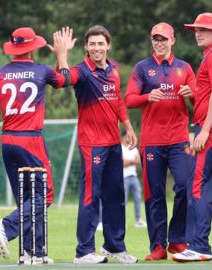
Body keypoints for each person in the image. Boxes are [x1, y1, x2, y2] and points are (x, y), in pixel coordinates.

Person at [0, 26, 71, 264]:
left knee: (26, 197)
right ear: (33, 48)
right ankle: (6, 227)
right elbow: (65, 81)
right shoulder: (41, 70)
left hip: (7, 140)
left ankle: (31, 253)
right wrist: (62, 55)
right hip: (31, 139)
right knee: (45, 195)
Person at [66, 25, 139, 264]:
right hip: (92, 145)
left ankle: (114, 247)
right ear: (86, 47)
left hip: (112, 144)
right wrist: (61, 55)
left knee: (116, 195)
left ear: (108, 45)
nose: (96, 48)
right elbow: (62, 80)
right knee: (91, 195)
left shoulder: (115, 68)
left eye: (101, 43)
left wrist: (127, 127)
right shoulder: (81, 71)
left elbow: (117, 100)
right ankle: (83, 251)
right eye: (92, 44)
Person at [125, 22, 196, 261]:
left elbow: (199, 103)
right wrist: (147, 96)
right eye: (156, 38)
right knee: (154, 193)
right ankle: (158, 245)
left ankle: (177, 240)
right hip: (152, 141)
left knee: (186, 187)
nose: (159, 42)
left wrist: (192, 95)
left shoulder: (184, 67)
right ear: (151, 41)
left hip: (179, 139)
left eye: (164, 38)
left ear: (172, 40)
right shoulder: (142, 68)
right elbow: (129, 100)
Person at [172, 12, 212, 262]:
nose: (197, 33)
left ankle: (199, 245)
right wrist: (197, 91)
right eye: (195, 29)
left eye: (203, 29)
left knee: (199, 186)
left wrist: (206, 129)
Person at [121, 131, 146, 229]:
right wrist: (133, 161)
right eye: (127, 137)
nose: (129, 138)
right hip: (124, 177)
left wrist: (129, 161)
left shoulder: (133, 148)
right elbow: (123, 163)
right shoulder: (120, 148)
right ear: (123, 138)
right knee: (123, 200)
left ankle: (138, 220)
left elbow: (139, 161)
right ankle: (122, 221)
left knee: (138, 198)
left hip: (134, 177)